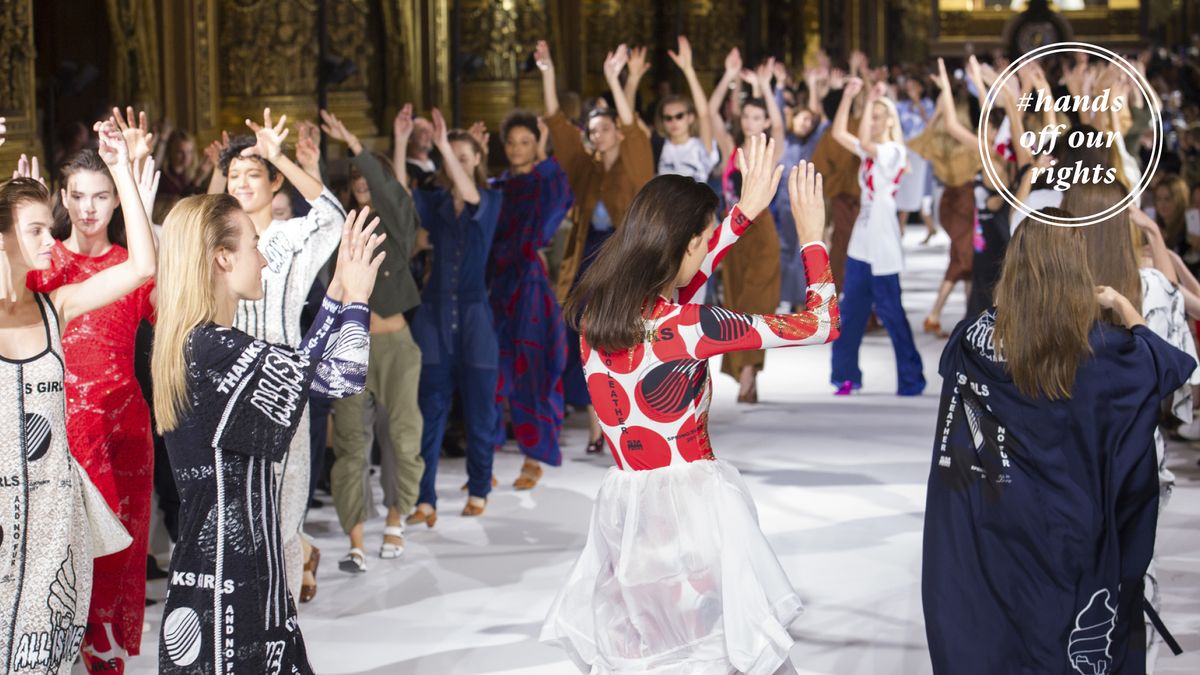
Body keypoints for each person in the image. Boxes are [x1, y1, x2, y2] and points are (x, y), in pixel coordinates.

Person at [543, 135, 838, 674]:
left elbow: (684, 276)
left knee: (654, 653)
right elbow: (821, 323)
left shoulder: (596, 313)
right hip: (693, 513)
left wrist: (742, 215)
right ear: (681, 245)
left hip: (628, 511)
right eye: (701, 241)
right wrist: (813, 238)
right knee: (723, 652)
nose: (704, 252)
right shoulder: (689, 327)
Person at [923, 212, 1195, 675]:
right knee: (1064, 645)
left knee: (997, 640)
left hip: (990, 523)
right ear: (1078, 270)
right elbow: (1169, 366)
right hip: (1069, 528)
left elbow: (957, 380)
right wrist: (1125, 311)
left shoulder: (972, 341)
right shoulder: (1102, 352)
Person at [151, 197, 378, 675]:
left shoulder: (196, 342)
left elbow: (298, 373)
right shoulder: (216, 349)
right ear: (222, 257)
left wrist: (336, 293)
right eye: (255, 245)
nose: (265, 258)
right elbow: (339, 378)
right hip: (231, 590)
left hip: (232, 577)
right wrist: (357, 299)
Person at [0, 118, 152, 675]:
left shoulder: (61, 295)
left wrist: (126, 172)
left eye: (101, 196)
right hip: (32, 461)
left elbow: (146, 269)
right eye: (36, 228)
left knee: (97, 582)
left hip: (97, 452)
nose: (84, 211)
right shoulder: (43, 279)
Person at [216, 109, 347, 603]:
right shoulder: (216, 244)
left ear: (274, 184)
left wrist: (280, 156)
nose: (243, 183)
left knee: (286, 510)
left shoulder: (292, 239)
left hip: (284, 382)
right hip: (228, 383)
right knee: (239, 514)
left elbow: (333, 214)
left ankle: (283, 620)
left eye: (254, 174)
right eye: (234, 175)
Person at [317, 108, 426, 569]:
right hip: (350, 345)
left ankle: (397, 521)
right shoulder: (339, 227)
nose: (363, 179)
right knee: (350, 444)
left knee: (402, 438)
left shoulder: (396, 231)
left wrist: (355, 144)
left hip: (397, 346)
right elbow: (316, 198)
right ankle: (357, 540)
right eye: (356, 175)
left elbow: (395, 199)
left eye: (370, 174)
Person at [538, 39, 654, 454]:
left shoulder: (637, 157)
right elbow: (555, 123)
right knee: (587, 338)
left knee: (626, 338)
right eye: (593, 131)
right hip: (589, 258)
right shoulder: (585, 167)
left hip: (628, 261)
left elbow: (631, 126)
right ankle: (595, 429)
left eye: (606, 128)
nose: (598, 134)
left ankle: (632, 421)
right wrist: (548, 71)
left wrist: (614, 78)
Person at [400, 109, 503, 532]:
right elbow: (399, 195)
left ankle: (479, 487)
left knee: (481, 412)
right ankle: (424, 497)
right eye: (451, 157)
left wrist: (446, 145)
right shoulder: (435, 201)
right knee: (430, 411)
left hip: (476, 317)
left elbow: (473, 197)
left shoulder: (491, 198)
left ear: (478, 159)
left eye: (465, 156)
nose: (457, 162)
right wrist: (400, 139)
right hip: (435, 314)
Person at [488, 109, 573, 489]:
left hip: (530, 284)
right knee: (491, 376)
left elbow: (559, 193)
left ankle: (533, 457)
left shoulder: (545, 181)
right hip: (494, 285)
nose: (518, 149)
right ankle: (482, 464)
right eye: (512, 142)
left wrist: (543, 150)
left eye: (526, 142)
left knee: (533, 370)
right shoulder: (497, 186)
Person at [828, 77, 924, 396]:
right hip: (863, 234)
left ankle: (911, 378)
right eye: (871, 116)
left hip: (883, 236)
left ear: (890, 120)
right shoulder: (873, 148)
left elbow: (867, 144)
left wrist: (870, 100)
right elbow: (839, 133)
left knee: (891, 311)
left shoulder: (895, 151)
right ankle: (845, 376)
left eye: (878, 116)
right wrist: (849, 96)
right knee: (850, 310)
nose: (872, 121)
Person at [709, 50, 786, 403]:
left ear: (765, 121)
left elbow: (781, 124)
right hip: (733, 234)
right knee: (737, 304)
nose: (753, 122)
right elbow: (710, 113)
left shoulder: (772, 147)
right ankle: (746, 371)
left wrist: (766, 87)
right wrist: (728, 75)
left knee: (757, 302)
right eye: (748, 116)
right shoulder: (730, 147)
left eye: (759, 117)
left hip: (762, 232)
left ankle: (749, 372)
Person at [655, 35, 720, 183]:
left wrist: (689, 70)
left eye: (679, 116)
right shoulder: (658, 145)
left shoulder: (700, 146)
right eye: (668, 118)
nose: (673, 121)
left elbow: (704, 115)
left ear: (690, 117)